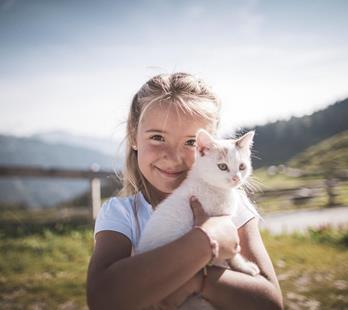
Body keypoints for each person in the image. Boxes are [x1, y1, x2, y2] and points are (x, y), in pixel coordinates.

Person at [86, 72, 283, 309]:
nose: (173, 157)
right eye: (157, 137)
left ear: (206, 146)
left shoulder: (233, 203)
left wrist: (196, 281)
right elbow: (103, 300)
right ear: (133, 136)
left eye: (191, 143)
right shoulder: (121, 214)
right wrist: (206, 239)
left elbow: (270, 303)